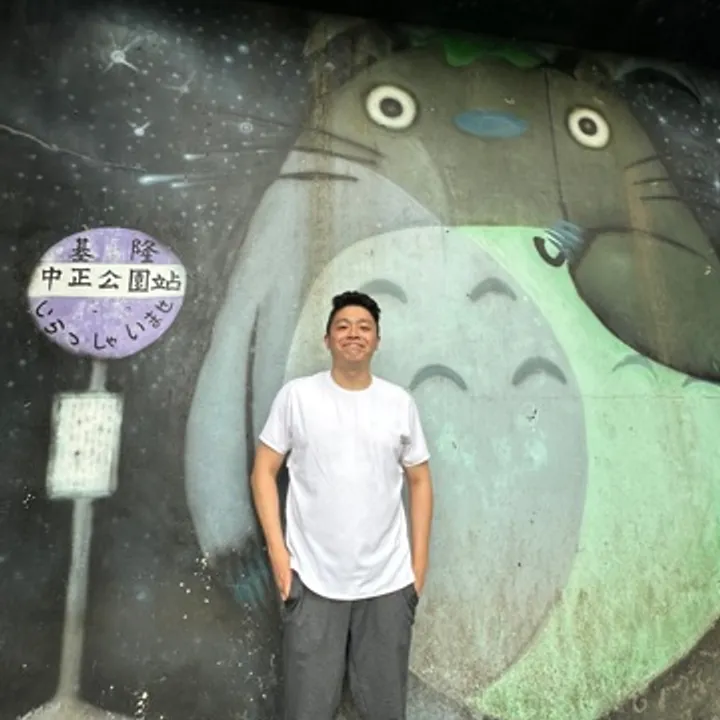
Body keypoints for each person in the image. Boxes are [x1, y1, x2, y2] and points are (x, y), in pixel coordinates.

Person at [250, 290, 434, 720]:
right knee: (307, 710)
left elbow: (421, 480)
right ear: (327, 339)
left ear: (377, 340)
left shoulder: (398, 403)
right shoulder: (297, 397)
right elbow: (263, 471)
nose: (354, 334)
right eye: (343, 326)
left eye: (364, 327)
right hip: (312, 579)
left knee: (385, 710)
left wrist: (418, 567)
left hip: (388, 581)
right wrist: (279, 557)